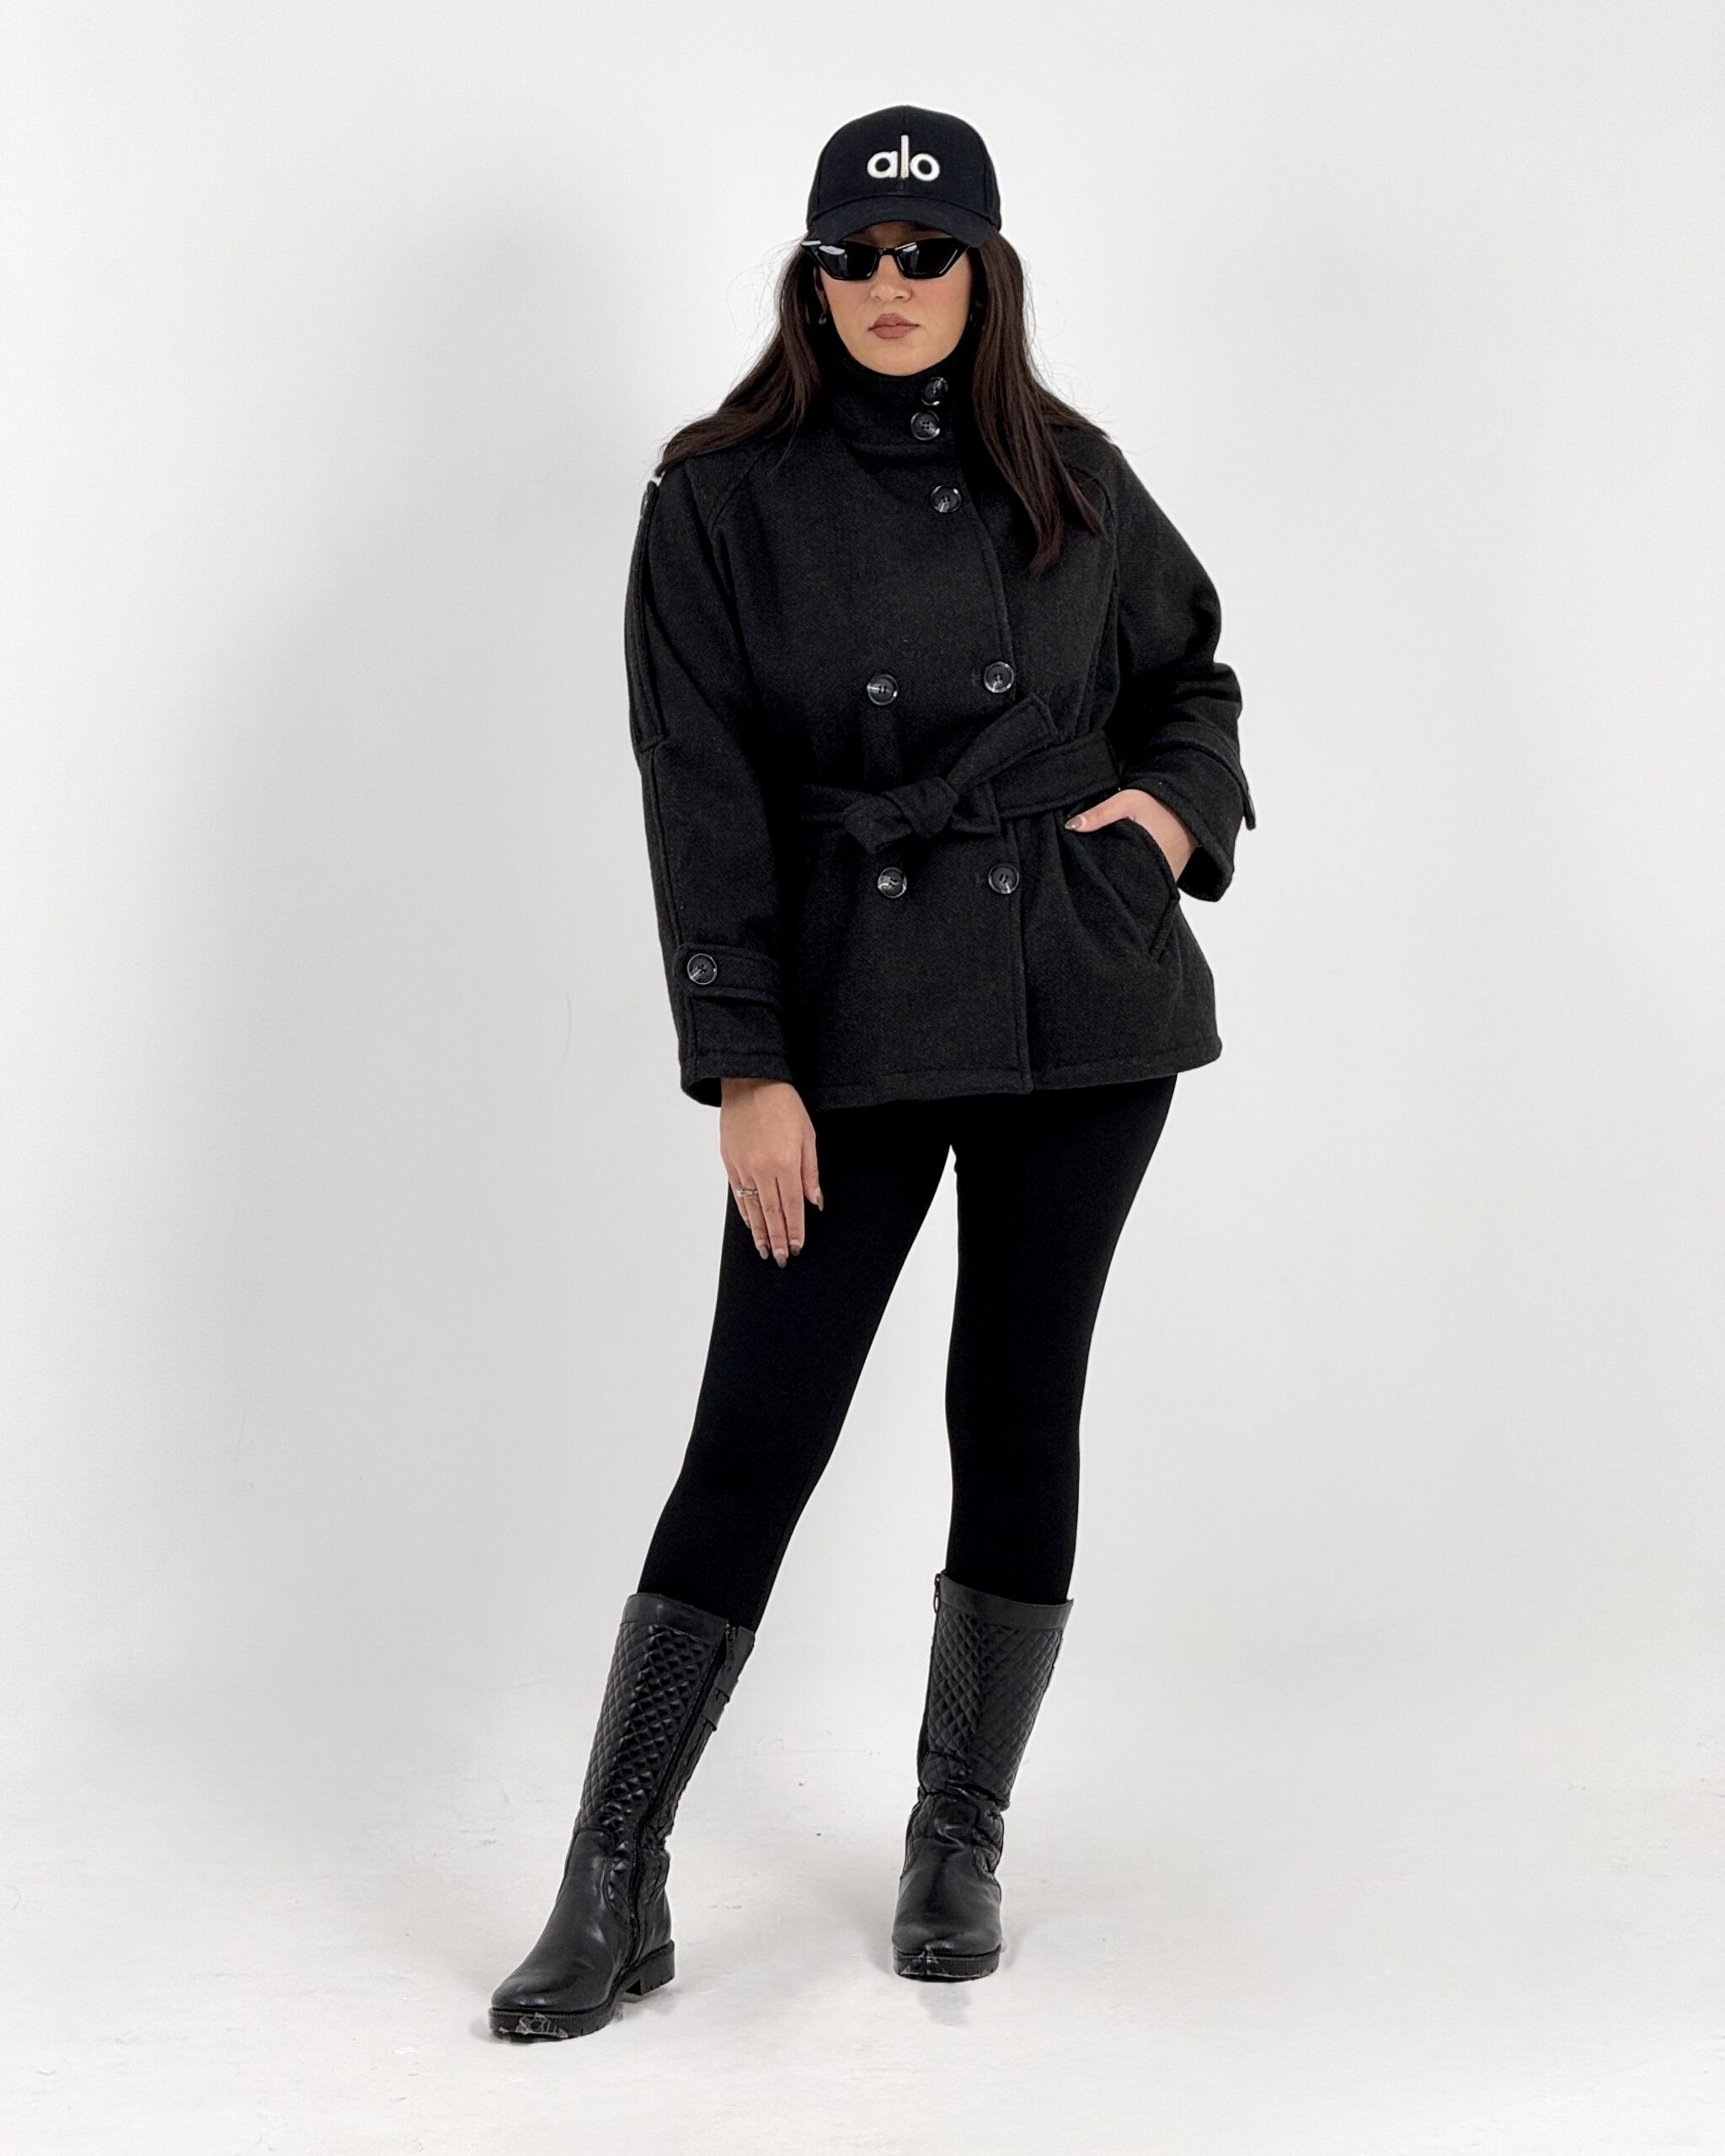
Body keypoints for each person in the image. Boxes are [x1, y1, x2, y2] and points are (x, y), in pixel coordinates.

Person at [489, 102, 1255, 2040]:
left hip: (1079, 1008)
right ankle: (613, 1872)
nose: (891, 285)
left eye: (929, 256)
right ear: (810, 274)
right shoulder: (718, 498)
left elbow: (1190, 674)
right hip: (849, 1020)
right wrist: (745, 1065)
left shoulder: (1071, 469)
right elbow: (701, 798)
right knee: (758, 1427)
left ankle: (955, 1832)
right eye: (858, 255)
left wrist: (1167, 819)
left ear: (983, 274)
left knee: (1016, 1403)